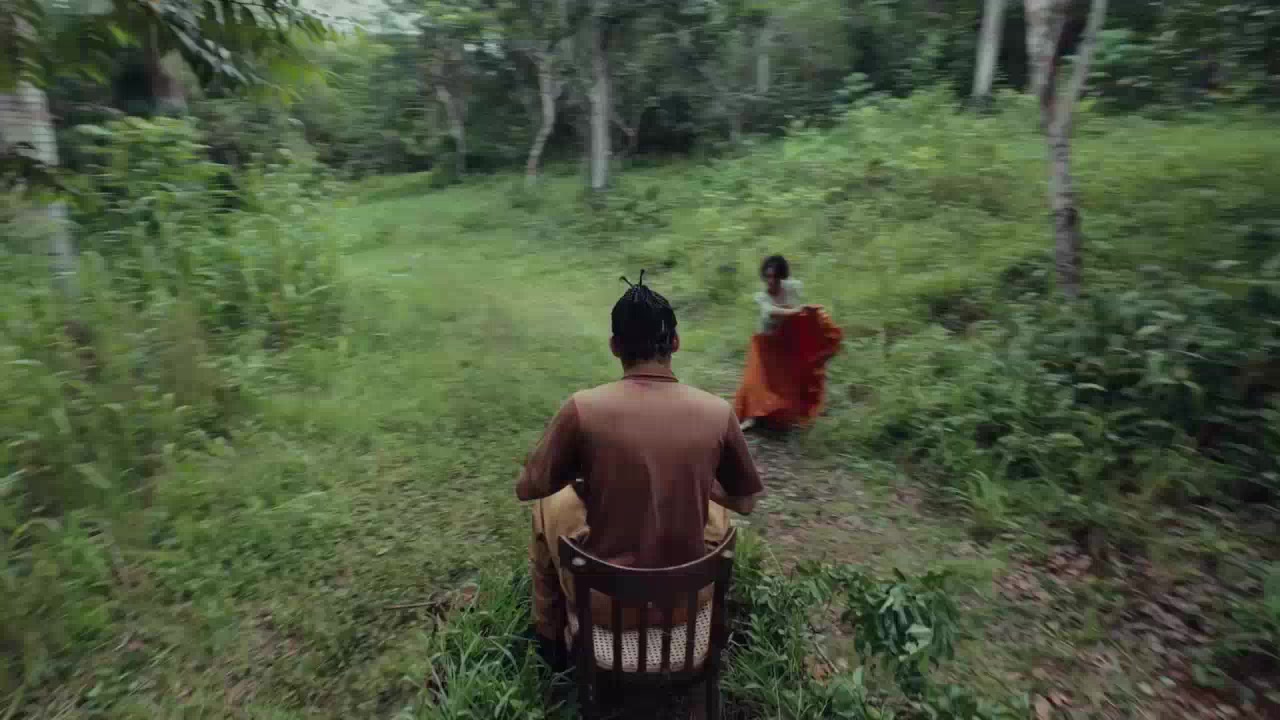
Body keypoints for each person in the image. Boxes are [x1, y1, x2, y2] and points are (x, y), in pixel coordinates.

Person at [517, 271, 765, 670]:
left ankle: (549, 639)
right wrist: (697, 480)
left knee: (547, 505)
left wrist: (585, 476)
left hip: (605, 605)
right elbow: (747, 501)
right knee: (714, 510)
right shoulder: (718, 412)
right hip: (687, 602)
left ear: (615, 346)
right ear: (676, 342)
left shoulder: (582, 408)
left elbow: (528, 487)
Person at [734, 255, 843, 431]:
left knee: (788, 380)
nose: (771, 281)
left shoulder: (791, 288)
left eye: (775, 277)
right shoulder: (762, 297)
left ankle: (781, 413)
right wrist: (797, 310)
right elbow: (772, 311)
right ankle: (751, 417)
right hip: (764, 341)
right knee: (755, 380)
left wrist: (811, 314)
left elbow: (798, 312)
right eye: (768, 276)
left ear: (782, 277)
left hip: (784, 339)